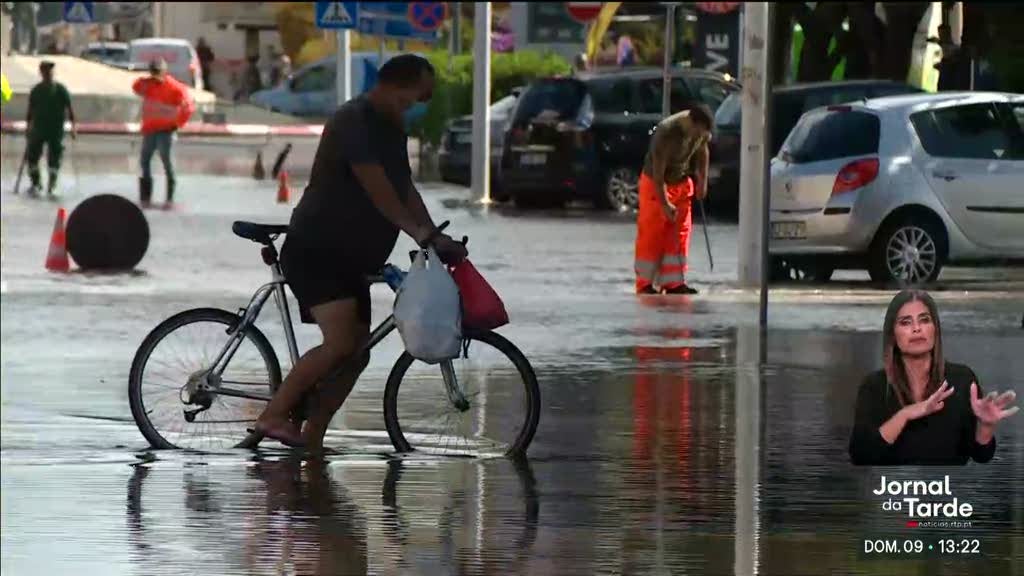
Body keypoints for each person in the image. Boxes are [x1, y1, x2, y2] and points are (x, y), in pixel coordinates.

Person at [253, 54, 468, 450]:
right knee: (340, 344)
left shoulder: (392, 126)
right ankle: (271, 415)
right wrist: (418, 232)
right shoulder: (354, 120)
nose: (417, 107)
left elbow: (404, 187)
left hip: (353, 257)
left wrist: (433, 234)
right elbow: (379, 190)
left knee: (358, 353)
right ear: (394, 86)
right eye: (415, 98)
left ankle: (311, 437)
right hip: (319, 247)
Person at [848, 290, 1019, 466]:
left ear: (935, 329)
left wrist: (986, 426)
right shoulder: (874, 386)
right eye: (906, 323)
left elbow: (981, 455)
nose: (917, 328)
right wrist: (905, 414)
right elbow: (861, 455)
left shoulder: (961, 380)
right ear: (893, 334)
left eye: (924, 320)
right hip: (892, 491)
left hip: (946, 490)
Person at [634, 104, 712, 295]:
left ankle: (674, 283)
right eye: (700, 130)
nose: (701, 135)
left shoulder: (700, 131)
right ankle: (644, 283)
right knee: (652, 235)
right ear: (691, 123)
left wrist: (702, 180)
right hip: (657, 183)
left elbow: (703, 152)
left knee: (679, 235)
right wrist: (664, 203)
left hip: (682, 182)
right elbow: (658, 174)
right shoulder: (666, 132)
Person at [132, 58, 194, 208]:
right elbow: (135, 86)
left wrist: (178, 123)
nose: (154, 75)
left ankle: (169, 199)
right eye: (152, 72)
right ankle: (145, 198)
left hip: (166, 131)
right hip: (150, 130)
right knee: (144, 162)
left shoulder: (174, 88)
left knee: (167, 164)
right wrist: (146, 80)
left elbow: (188, 107)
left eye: (157, 72)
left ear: (164, 72)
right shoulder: (148, 85)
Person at [25, 60, 75, 198]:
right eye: (46, 71)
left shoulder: (60, 89)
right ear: (41, 73)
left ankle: (51, 186)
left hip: (55, 130)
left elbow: (69, 108)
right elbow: (30, 111)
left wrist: (73, 127)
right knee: (32, 157)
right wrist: (28, 128)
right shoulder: (36, 90)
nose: (49, 74)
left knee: (54, 158)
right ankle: (36, 184)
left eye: (51, 71)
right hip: (38, 130)